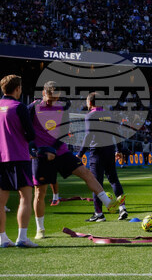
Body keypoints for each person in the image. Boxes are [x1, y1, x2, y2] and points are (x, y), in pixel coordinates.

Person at [30, 81, 119, 235]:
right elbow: (25, 130)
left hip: (60, 151)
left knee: (86, 172)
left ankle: (108, 202)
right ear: (43, 94)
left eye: (56, 99)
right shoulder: (32, 108)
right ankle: (40, 229)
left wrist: (54, 149)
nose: (52, 102)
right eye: (50, 99)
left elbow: (64, 132)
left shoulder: (62, 107)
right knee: (40, 193)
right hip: (41, 155)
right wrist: (36, 149)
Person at [0, 74, 38, 248]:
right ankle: (22, 238)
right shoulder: (19, 107)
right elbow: (31, 134)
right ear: (17, 89)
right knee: (25, 196)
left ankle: (2, 239)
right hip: (17, 156)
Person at [78, 92, 128, 222]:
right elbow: (117, 133)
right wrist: (119, 150)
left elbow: (88, 137)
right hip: (110, 150)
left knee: (96, 183)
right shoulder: (109, 114)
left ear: (90, 102)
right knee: (114, 180)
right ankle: (123, 208)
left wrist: (80, 154)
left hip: (97, 152)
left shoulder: (90, 116)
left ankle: (99, 214)